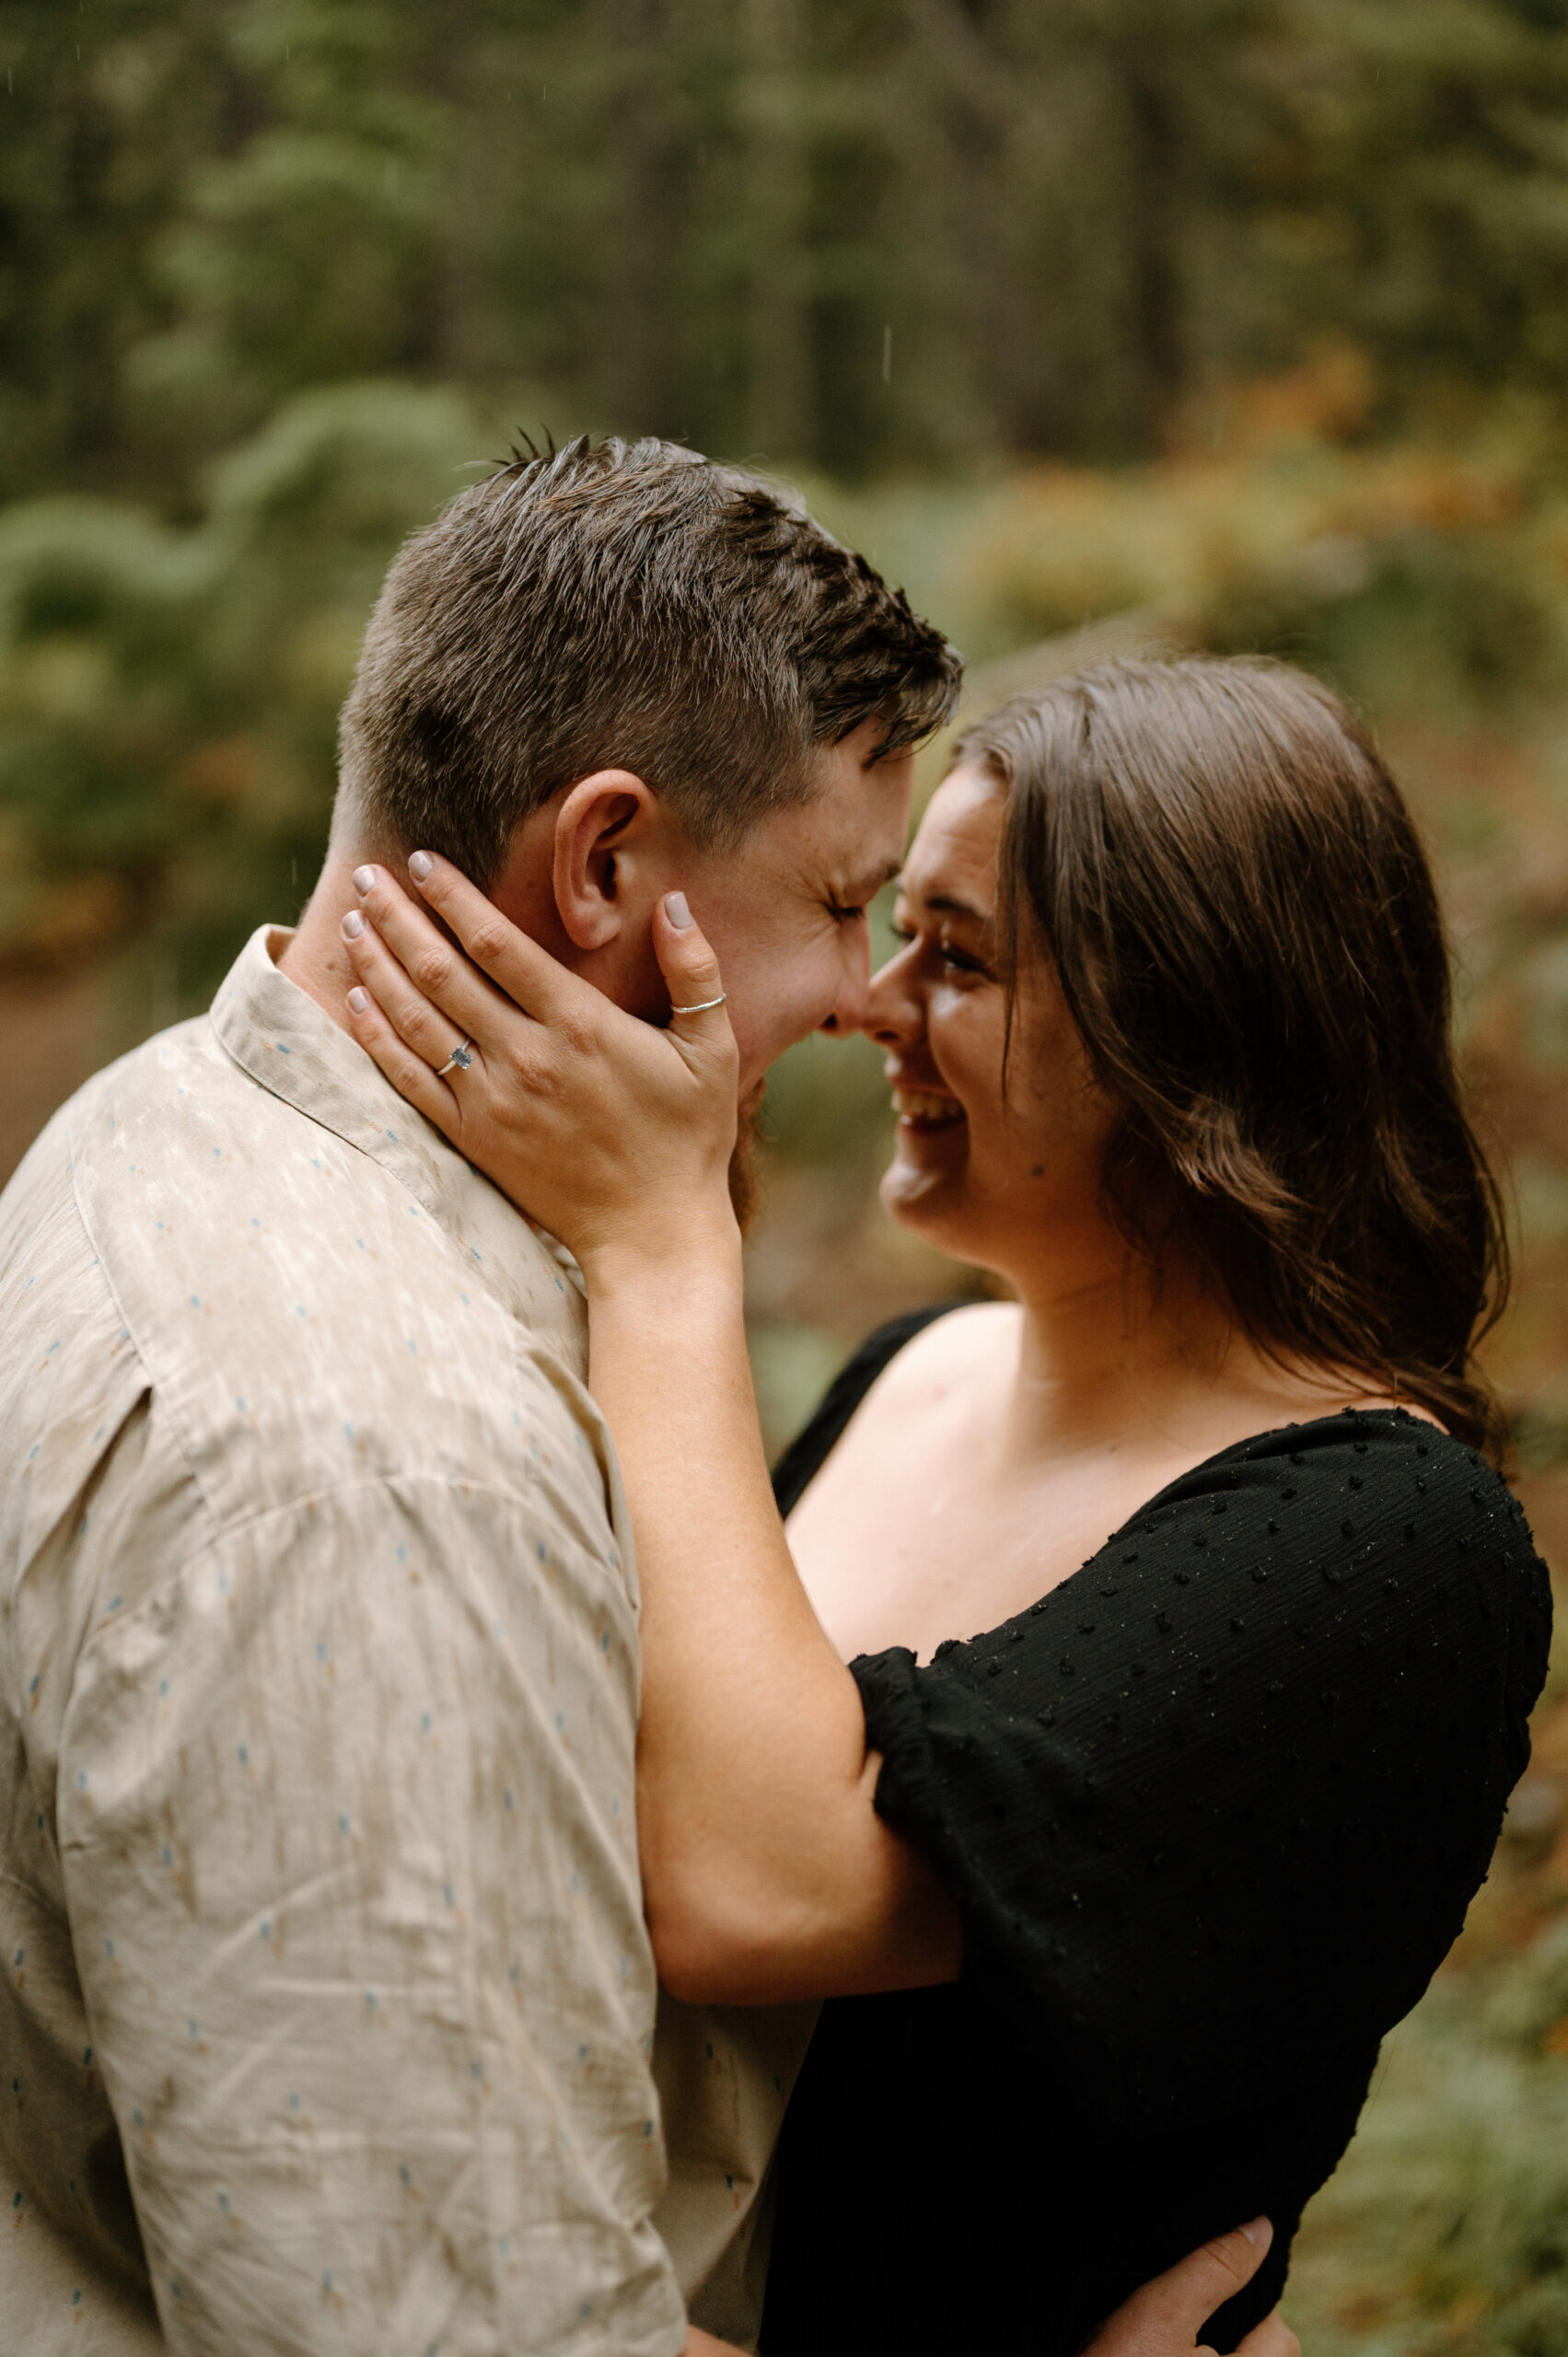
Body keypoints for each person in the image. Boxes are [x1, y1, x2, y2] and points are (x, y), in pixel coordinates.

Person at [0, 438, 1268, 2357]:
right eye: (840, 904)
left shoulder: (152, 1130)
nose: (864, 996)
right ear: (604, 864)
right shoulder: (371, 1483)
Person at [337, 654, 1552, 2355]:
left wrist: (663, 1246)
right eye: (894, 929)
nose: (870, 1003)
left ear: (1192, 1036)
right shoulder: (914, 1376)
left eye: (959, 956)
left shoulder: (1382, 1553)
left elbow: (749, 1892)